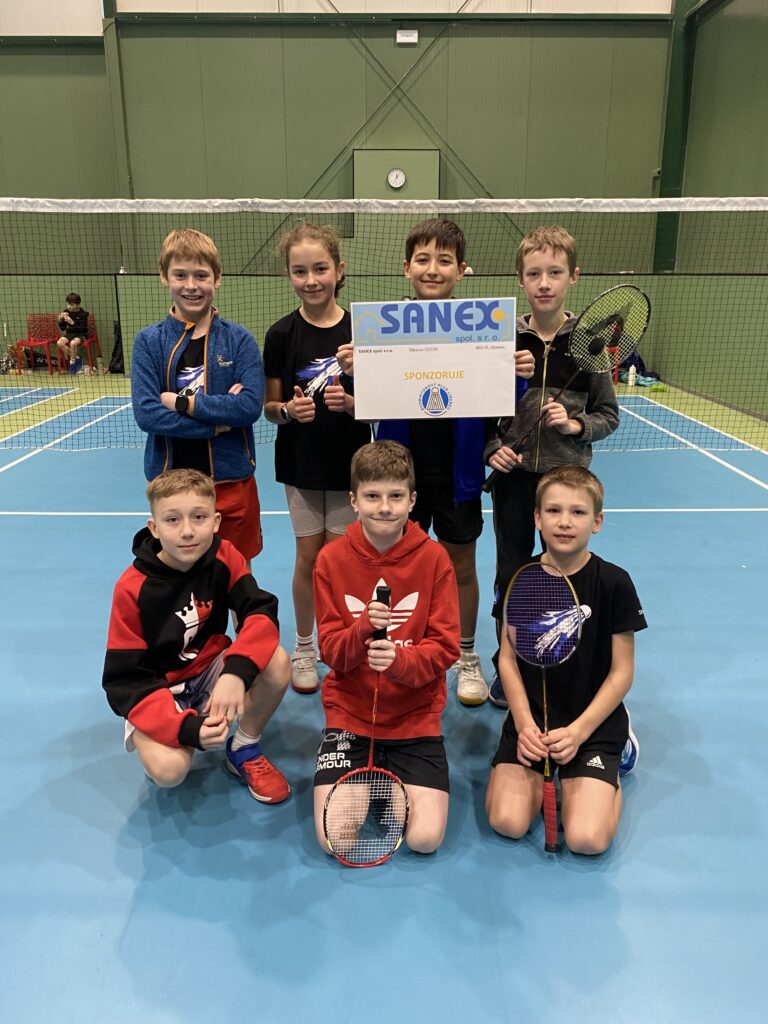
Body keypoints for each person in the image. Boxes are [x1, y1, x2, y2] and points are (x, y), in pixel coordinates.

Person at [338, 219, 533, 706]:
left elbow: (498, 400)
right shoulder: (385, 327)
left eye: (444, 260)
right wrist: (354, 371)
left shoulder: (483, 326)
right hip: (397, 474)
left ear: (461, 270)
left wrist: (517, 374)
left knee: (460, 565)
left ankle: (465, 655)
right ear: (406, 268)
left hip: (457, 473)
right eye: (423, 259)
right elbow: (370, 397)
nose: (433, 269)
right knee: (394, 566)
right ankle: (394, 651)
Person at [484, 226, 619, 708]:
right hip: (514, 482)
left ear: (573, 277)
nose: (544, 283)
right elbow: (479, 414)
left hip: (566, 484)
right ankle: (509, 664)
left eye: (555, 273)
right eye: (534, 273)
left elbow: (609, 416)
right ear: (520, 279)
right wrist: (492, 448)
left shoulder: (589, 345)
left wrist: (575, 425)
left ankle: (558, 659)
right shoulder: (500, 338)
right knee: (511, 573)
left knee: (563, 573)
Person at [102, 469, 291, 803]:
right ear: (154, 528)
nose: (187, 531)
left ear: (216, 522)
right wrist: (187, 730)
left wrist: (235, 673)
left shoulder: (224, 556)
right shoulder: (131, 589)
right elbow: (125, 681)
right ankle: (161, 732)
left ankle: (244, 747)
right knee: (169, 771)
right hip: (159, 688)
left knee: (276, 663)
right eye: (172, 520)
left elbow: (260, 611)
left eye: (199, 517)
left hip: (209, 671)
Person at [485, 465, 644, 855]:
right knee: (507, 822)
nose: (565, 522)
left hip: (591, 720)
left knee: (586, 840)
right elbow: (508, 659)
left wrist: (579, 732)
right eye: (553, 511)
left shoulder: (614, 582)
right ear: (537, 518)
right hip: (534, 718)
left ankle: (616, 754)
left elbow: (622, 672)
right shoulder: (517, 578)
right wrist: (524, 723)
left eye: (578, 512)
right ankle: (534, 756)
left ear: (597, 521)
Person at [312, 440, 460, 855]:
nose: (384, 507)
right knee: (335, 840)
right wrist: (362, 629)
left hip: (415, 718)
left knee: (425, 840)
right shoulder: (330, 560)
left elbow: (446, 647)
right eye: (372, 496)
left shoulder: (435, 559)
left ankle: (387, 777)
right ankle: (372, 775)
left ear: (412, 500)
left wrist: (400, 660)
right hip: (351, 715)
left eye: (396, 496)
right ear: (354, 501)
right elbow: (331, 652)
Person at [263, 223, 371, 694]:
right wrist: (288, 411)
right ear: (289, 275)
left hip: (351, 465)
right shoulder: (280, 334)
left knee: (341, 561)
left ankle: (342, 647)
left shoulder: (362, 331)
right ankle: (305, 647)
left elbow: (383, 403)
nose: (311, 280)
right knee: (309, 557)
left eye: (320, 269)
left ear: (339, 270)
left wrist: (354, 400)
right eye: (300, 271)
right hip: (301, 463)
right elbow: (269, 407)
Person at [132, 228, 264, 565]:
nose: (191, 285)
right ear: (164, 277)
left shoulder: (240, 340)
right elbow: (147, 414)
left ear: (217, 278)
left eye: (201, 275)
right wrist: (217, 424)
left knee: (237, 573)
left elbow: (249, 406)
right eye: (180, 275)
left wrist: (182, 403)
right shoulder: (148, 342)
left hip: (232, 484)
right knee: (180, 578)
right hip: (170, 486)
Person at [57, 292, 89, 374]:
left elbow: (83, 329)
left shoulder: (83, 314)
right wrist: (60, 320)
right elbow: (63, 328)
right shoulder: (66, 312)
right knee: (59, 343)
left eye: (72, 305)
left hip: (81, 335)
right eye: (68, 304)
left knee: (73, 343)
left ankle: (73, 363)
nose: (69, 306)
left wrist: (72, 322)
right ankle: (77, 357)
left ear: (77, 305)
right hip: (70, 334)